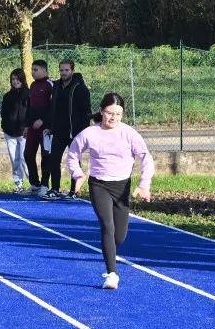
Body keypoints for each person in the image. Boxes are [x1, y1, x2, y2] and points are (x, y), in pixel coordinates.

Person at [66, 94, 154, 290]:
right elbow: (73, 154)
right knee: (107, 226)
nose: (113, 118)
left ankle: (110, 249)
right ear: (101, 111)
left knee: (119, 237)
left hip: (122, 187)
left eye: (118, 114)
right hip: (99, 185)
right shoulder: (90, 133)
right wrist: (78, 174)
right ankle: (112, 274)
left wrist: (144, 184)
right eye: (109, 113)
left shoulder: (129, 134)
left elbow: (146, 158)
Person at [42, 59, 91, 201]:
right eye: (61, 70)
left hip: (75, 133)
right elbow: (53, 109)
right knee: (53, 159)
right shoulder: (56, 87)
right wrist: (50, 127)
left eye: (66, 70)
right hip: (58, 132)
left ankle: (74, 191)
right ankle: (55, 189)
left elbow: (86, 112)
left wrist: (83, 132)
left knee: (74, 161)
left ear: (72, 71)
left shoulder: (80, 88)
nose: (63, 73)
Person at [23, 59, 53, 197]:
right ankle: (34, 183)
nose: (32, 72)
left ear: (44, 71)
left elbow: (54, 107)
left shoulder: (50, 85)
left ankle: (45, 185)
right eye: (32, 70)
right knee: (28, 154)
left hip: (45, 128)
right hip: (32, 128)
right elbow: (30, 107)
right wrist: (27, 126)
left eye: (35, 70)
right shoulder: (33, 85)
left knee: (46, 156)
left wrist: (44, 121)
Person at [1, 69, 30, 192]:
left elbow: (30, 112)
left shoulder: (28, 94)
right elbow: (3, 113)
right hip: (9, 133)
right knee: (14, 159)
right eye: (13, 79)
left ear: (22, 80)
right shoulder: (7, 96)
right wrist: (5, 126)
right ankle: (19, 183)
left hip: (23, 133)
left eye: (17, 79)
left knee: (25, 158)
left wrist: (27, 127)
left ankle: (33, 182)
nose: (15, 81)